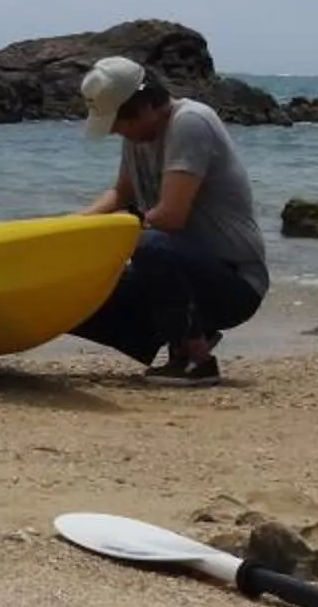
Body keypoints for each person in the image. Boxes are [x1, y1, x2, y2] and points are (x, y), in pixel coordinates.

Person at [68, 55, 267, 384]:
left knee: (149, 244)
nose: (116, 131)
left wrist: (108, 239)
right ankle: (180, 333)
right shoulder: (138, 136)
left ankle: (197, 359)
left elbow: (170, 217)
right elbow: (120, 194)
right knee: (75, 290)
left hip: (235, 283)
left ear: (146, 107)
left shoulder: (190, 122)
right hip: (177, 272)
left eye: (118, 121)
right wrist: (72, 228)